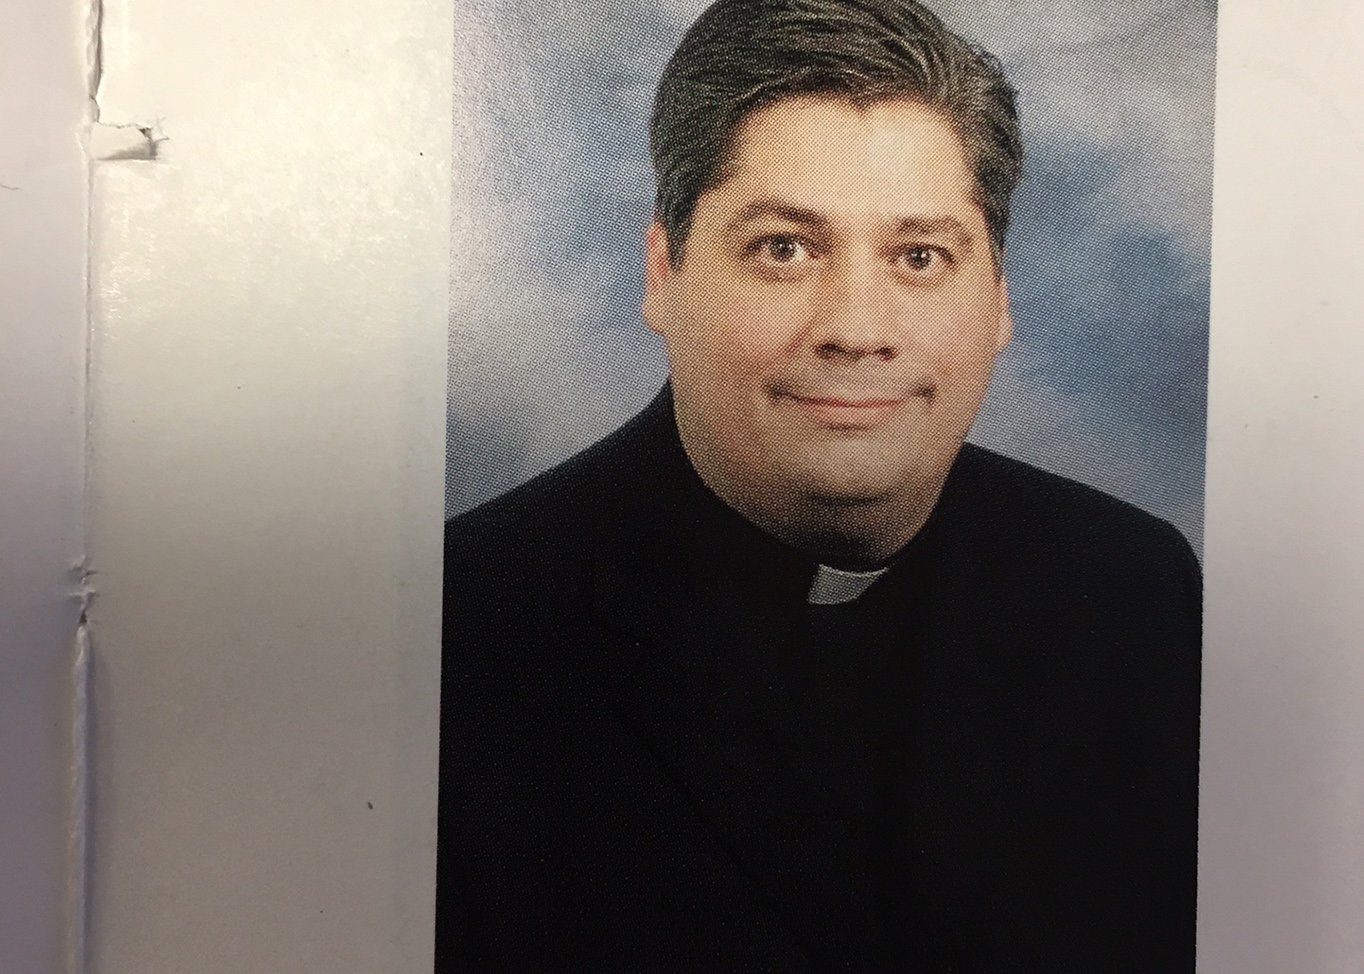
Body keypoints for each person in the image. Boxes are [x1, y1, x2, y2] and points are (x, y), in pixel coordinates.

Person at [437, 0, 1201, 970]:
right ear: (663, 272)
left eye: (917, 256)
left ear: (998, 297)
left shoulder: (1136, 593)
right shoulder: (458, 632)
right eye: (784, 247)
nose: (854, 327)